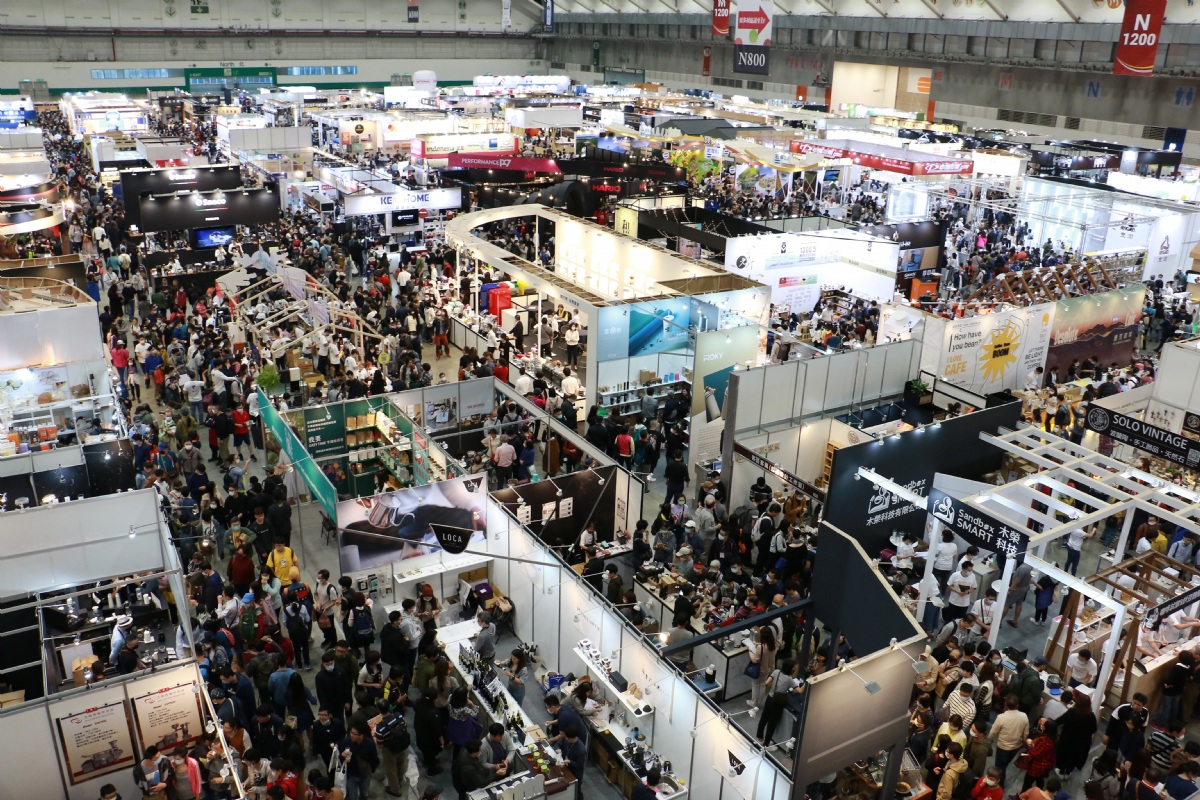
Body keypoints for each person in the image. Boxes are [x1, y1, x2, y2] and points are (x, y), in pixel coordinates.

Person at [757, 658, 803, 745]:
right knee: (772, 723)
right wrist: (807, 682)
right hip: (778, 702)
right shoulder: (789, 679)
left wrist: (774, 686)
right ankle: (766, 744)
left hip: (770, 698)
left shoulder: (776, 672)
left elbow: (766, 683)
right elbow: (799, 691)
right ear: (791, 669)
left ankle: (759, 738)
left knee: (764, 718)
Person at [988, 695, 1029, 782]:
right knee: (1005, 764)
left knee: (999, 766)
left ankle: (1000, 782)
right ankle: (1000, 779)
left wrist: (989, 740)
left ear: (1006, 705)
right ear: (1017, 705)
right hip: (1016, 746)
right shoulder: (1024, 716)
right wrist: (1023, 741)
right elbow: (1026, 733)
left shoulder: (1001, 717)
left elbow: (993, 732)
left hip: (1003, 746)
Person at [337, 723, 379, 800]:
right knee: (352, 797)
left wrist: (372, 770)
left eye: (354, 734)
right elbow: (340, 758)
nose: (351, 735)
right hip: (351, 775)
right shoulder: (346, 742)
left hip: (365, 775)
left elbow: (374, 759)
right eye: (351, 733)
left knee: (364, 794)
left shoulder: (369, 744)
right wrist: (342, 755)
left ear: (361, 734)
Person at [1022, 718, 1058, 792]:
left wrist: (1030, 745)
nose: (1041, 726)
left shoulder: (1045, 741)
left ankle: (1022, 796)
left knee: (1027, 782)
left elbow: (1035, 754)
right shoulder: (1052, 738)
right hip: (1044, 766)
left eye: (1043, 725)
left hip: (1037, 766)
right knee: (1039, 780)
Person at [557, 726, 587, 800]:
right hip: (567, 768)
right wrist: (560, 751)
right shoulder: (568, 740)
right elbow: (561, 745)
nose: (566, 739)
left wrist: (570, 762)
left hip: (576, 773)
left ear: (572, 738)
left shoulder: (581, 750)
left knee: (577, 791)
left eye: (567, 738)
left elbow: (580, 765)